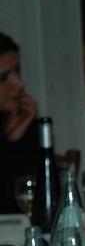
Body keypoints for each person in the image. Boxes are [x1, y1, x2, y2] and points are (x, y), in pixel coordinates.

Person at [0, 31, 39, 214]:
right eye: (4, 77)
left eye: (17, 71)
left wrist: (15, 140)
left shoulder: (21, 119)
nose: (19, 83)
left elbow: (41, 199)